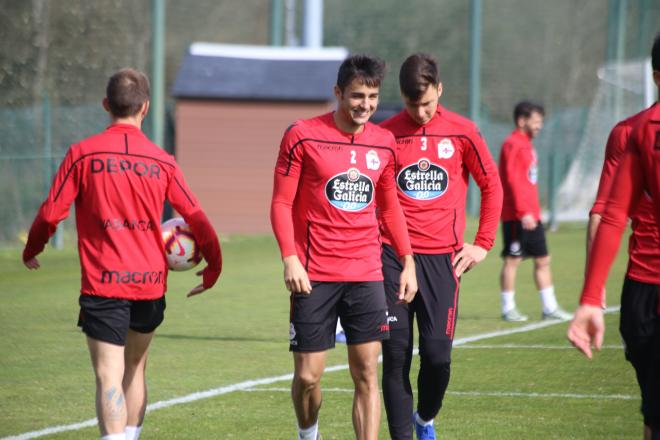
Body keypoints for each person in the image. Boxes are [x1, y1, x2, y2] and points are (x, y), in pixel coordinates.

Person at [22, 68, 222, 440]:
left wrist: (32, 249)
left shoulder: (82, 155)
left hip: (104, 284)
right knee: (135, 369)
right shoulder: (163, 160)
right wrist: (214, 265)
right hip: (149, 284)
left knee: (108, 374)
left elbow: (51, 214)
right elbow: (196, 217)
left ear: (105, 105)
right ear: (145, 108)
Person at [270, 54, 417, 440]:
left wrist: (407, 261)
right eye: (356, 96)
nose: (365, 105)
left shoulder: (384, 143)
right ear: (338, 92)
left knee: (367, 372)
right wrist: (290, 258)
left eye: (371, 96)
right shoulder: (301, 135)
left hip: (366, 273)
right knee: (307, 376)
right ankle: (308, 434)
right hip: (312, 274)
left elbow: (389, 207)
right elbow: (281, 203)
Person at [378, 53, 503, 440]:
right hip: (392, 258)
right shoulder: (385, 135)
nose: (420, 112)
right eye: (413, 104)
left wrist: (482, 243)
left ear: (440, 91)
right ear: (402, 95)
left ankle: (425, 418)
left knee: (437, 357)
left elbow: (492, 185)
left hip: (442, 262)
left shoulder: (463, 132)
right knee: (395, 357)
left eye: (428, 103)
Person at [568, 34, 660, 440]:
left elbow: (610, 215)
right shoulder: (634, 133)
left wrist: (591, 297)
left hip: (643, 297)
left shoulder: (637, 131)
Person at [497, 101, 572, 322]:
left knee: (543, 259)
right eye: (536, 121)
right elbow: (511, 180)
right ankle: (507, 308)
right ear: (522, 121)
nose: (539, 125)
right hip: (517, 216)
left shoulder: (527, 144)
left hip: (532, 215)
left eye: (541, 121)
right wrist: (523, 212)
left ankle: (549, 307)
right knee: (513, 259)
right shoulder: (513, 144)